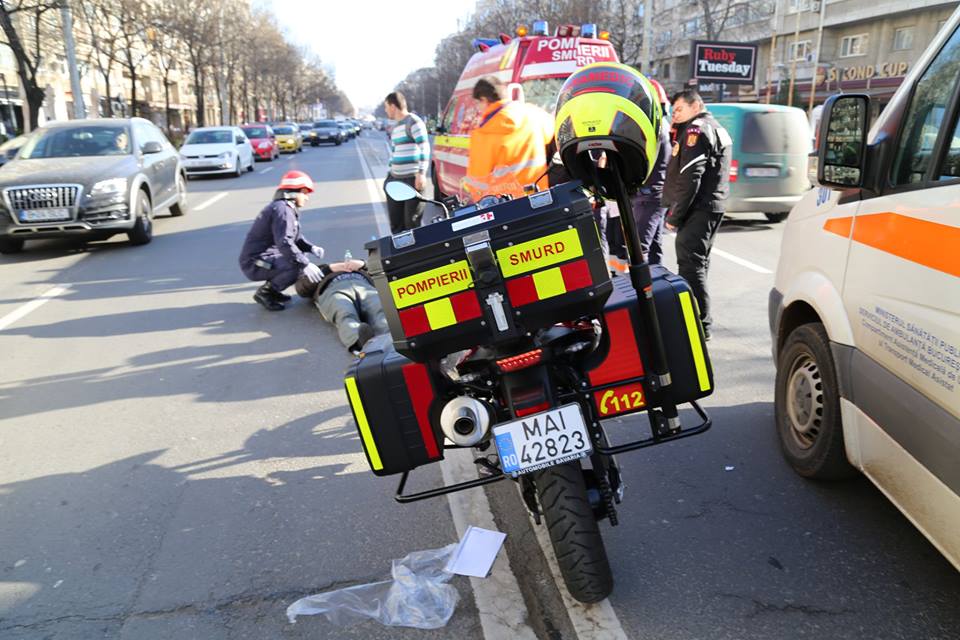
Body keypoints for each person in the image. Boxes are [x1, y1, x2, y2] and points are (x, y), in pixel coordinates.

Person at [662, 89, 732, 340]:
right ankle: (699, 321)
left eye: (679, 109)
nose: (676, 114)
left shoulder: (696, 130)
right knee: (698, 264)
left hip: (698, 207)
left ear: (695, 106)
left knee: (690, 265)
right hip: (711, 205)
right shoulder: (713, 126)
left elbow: (691, 176)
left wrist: (675, 215)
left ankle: (699, 323)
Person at [238, 170, 325, 311]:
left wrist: (311, 248)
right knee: (296, 264)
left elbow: (295, 238)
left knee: (300, 257)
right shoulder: (283, 210)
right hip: (255, 263)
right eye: (305, 192)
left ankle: (273, 290)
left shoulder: (283, 207)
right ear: (295, 192)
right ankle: (265, 293)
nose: (307, 198)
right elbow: (284, 242)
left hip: (263, 258)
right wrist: (305, 264)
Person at [462, 76, 553, 201]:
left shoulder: (484, 132)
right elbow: (553, 137)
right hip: (540, 197)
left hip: (506, 205)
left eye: (477, 103)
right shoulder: (535, 114)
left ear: (484, 100)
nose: (478, 109)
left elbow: (477, 180)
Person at [294, 258, 389, 355]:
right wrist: (329, 269)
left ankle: (390, 336)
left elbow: (386, 269)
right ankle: (360, 342)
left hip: (363, 286)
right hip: (334, 289)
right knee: (344, 312)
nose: (344, 265)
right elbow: (301, 289)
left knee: (379, 308)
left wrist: (363, 264)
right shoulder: (321, 270)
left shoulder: (361, 267)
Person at [630, 78, 672, 265]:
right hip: (655, 194)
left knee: (640, 248)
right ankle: (658, 285)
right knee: (654, 245)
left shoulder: (654, 129)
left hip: (649, 195)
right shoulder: (661, 124)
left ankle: (644, 290)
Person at [383, 91, 430, 233]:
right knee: (396, 225)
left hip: (412, 180)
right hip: (395, 180)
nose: (386, 111)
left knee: (412, 224)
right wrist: (390, 174)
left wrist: (421, 173)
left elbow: (424, 146)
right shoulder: (396, 127)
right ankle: (399, 254)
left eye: (386, 107)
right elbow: (394, 152)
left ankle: (418, 255)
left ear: (393, 106)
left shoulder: (413, 122)